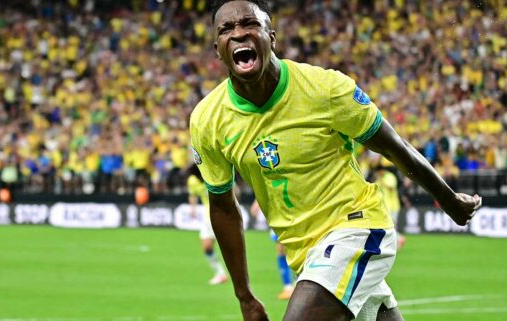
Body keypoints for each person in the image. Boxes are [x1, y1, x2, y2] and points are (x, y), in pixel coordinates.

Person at [189, 1, 482, 320]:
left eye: (250, 24)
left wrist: (447, 198)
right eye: (226, 29)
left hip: (357, 227)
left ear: (271, 37)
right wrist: (244, 296)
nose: (239, 33)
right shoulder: (208, 120)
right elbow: (222, 207)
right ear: (217, 49)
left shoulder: (324, 89)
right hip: (306, 255)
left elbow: (393, 146)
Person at [186, 164, 228, 285]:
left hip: (221, 214)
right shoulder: (192, 181)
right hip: (208, 216)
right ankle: (220, 273)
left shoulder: (213, 176)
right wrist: (192, 208)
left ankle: (233, 275)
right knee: (207, 246)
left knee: (226, 246)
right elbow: (192, 195)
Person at [250, 199, 294, 300]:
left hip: (288, 215)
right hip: (282, 215)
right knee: (282, 251)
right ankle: (289, 287)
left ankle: (291, 287)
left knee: (285, 251)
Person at [374, 164, 406, 250]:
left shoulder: (390, 176)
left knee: (391, 226)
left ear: (381, 171)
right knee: (387, 226)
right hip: (384, 206)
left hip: (393, 206)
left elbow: (391, 187)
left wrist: (382, 181)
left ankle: (399, 239)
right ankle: (397, 240)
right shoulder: (379, 179)